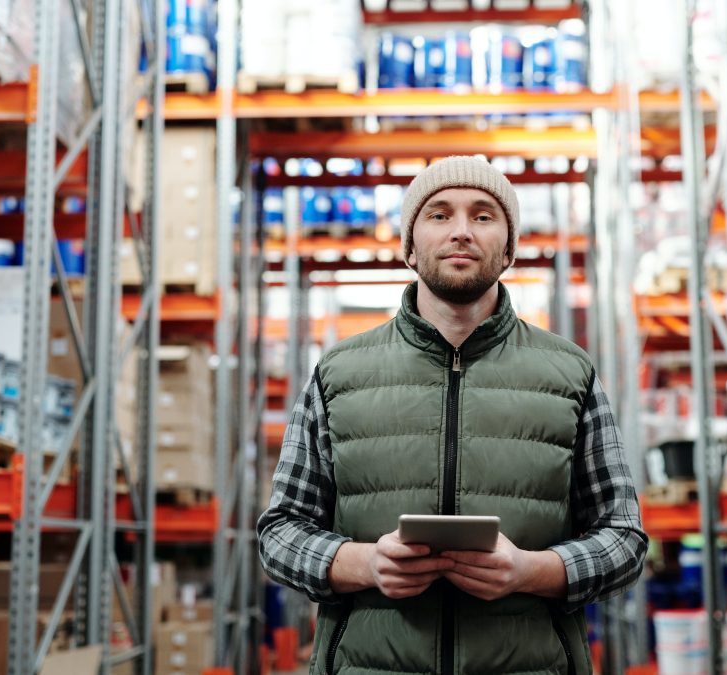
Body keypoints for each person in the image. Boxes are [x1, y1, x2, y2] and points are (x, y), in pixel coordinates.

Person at [258, 156, 648, 675]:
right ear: (410, 248)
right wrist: (364, 564)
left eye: (483, 216)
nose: (461, 231)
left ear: (508, 247)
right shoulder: (337, 374)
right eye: (439, 215)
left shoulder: (570, 374)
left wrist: (533, 571)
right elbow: (280, 531)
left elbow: (623, 537)